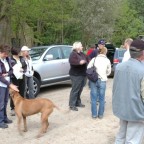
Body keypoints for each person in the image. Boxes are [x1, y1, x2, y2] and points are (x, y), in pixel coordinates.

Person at [112, 39, 144, 144]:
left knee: (121, 136)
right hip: (136, 111)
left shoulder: (119, 67)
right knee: (133, 140)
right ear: (142, 53)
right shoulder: (142, 70)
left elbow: (115, 88)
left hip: (122, 108)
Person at [87, 47, 111, 119]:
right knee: (102, 99)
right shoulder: (107, 60)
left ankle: (94, 115)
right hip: (103, 80)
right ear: (105, 52)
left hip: (94, 80)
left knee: (93, 99)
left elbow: (88, 68)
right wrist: (104, 74)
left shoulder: (94, 59)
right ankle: (100, 115)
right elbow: (109, 72)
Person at [0, 44, 19, 128]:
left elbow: (11, 70)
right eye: (5, 54)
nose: (7, 55)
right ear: (0, 52)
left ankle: (5, 118)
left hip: (7, 83)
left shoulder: (7, 59)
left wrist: (7, 74)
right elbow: (0, 76)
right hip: (1, 85)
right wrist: (10, 85)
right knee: (1, 104)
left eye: (7, 53)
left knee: (5, 102)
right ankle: (0, 121)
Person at [69, 41, 88, 111]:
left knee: (80, 89)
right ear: (77, 47)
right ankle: (72, 104)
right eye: (81, 46)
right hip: (76, 75)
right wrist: (79, 62)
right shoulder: (73, 54)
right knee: (75, 90)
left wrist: (89, 60)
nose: (82, 47)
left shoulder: (82, 54)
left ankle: (78, 102)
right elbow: (72, 61)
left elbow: (87, 58)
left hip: (83, 74)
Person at [10, 48, 27, 116]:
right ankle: (12, 108)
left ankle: (21, 107)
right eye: (20, 51)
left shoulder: (21, 58)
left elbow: (25, 66)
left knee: (22, 93)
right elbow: (10, 69)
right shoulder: (10, 60)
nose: (21, 52)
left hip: (22, 77)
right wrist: (16, 71)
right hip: (15, 79)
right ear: (16, 53)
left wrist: (23, 70)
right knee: (14, 93)